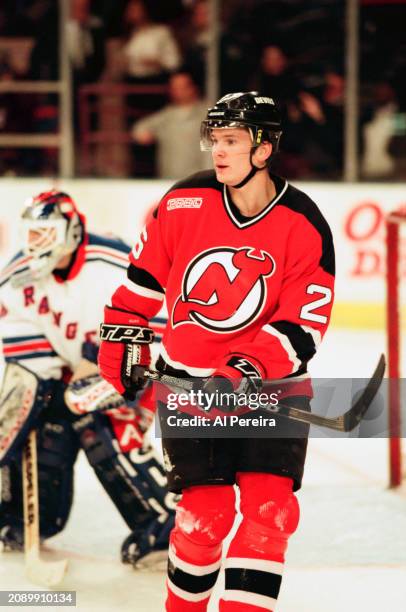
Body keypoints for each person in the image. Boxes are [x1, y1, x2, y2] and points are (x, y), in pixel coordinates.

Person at [99, 92, 335, 610]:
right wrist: (123, 328)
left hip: (272, 391)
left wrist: (246, 366)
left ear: (265, 148)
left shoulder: (304, 222)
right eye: (216, 141)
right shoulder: (184, 201)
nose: (219, 153)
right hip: (190, 388)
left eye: (232, 141)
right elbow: (141, 282)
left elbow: (303, 326)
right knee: (205, 517)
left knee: (269, 510)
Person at [0, 190, 176, 567]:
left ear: (73, 232)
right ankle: (29, 518)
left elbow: (161, 330)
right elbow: (28, 354)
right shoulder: (17, 277)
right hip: (74, 376)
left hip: (137, 372)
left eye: (45, 234)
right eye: (32, 234)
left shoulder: (115, 263)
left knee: (96, 417)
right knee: (46, 420)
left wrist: (96, 360)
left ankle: (163, 523)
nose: (36, 244)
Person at [131, 70, 211, 178]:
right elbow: (140, 130)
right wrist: (143, 134)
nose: (178, 91)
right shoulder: (166, 116)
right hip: (169, 180)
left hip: (200, 179)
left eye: (182, 87)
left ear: (194, 88)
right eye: (174, 88)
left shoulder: (208, 113)